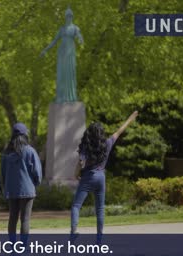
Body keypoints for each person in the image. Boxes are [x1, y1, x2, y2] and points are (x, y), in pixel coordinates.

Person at [71, 111, 138, 241]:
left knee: (76, 206)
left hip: (88, 177)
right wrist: (130, 118)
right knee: (100, 209)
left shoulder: (86, 147)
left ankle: (73, 231)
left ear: (89, 134)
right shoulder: (107, 143)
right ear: (101, 133)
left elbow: (80, 162)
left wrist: (76, 175)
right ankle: (99, 239)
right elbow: (119, 131)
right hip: (101, 177)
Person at [2, 123, 42, 239]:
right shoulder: (30, 151)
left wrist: (6, 185)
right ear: (25, 136)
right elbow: (37, 172)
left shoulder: (6, 153)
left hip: (11, 190)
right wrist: (35, 183)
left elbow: (3, 173)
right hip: (27, 190)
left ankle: (13, 245)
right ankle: (23, 247)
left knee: (12, 218)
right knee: (25, 219)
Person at [40, 7, 83, 103]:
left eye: (70, 16)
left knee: (70, 73)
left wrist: (80, 39)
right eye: (67, 16)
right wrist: (45, 50)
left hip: (70, 52)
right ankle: (61, 96)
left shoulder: (75, 28)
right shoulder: (62, 29)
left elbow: (80, 36)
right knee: (62, 74)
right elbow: (54, 41)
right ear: (65, 17)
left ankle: (70, 97)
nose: (68, 18)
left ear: (72, 17)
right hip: (62, 52)